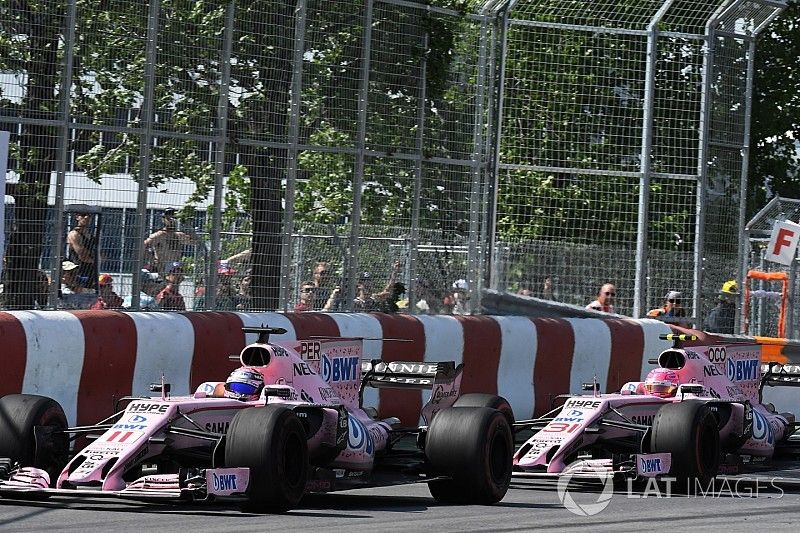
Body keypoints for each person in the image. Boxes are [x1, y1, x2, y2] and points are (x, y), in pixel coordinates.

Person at [143, 208, 196, 276]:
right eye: (168, 218)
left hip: (175, 268)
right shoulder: (159, 235)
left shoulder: (178, 235)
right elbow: (144, 246)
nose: (171, 220)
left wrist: (189, 226)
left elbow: (194, 242)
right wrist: (152, 260)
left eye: (174, 218)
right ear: (163, 220)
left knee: (174, 285)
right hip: (162, 267)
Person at [67, 211, 97, 290]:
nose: (86, 217)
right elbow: (83, 256)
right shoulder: (74, 234)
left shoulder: (91, 236)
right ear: (77, 217)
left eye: (88, 215)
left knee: (91, 294)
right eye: (83, 215)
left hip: (91, 271)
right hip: (78, 271)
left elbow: (102, 255)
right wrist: (95, 258)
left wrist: (93, 257)